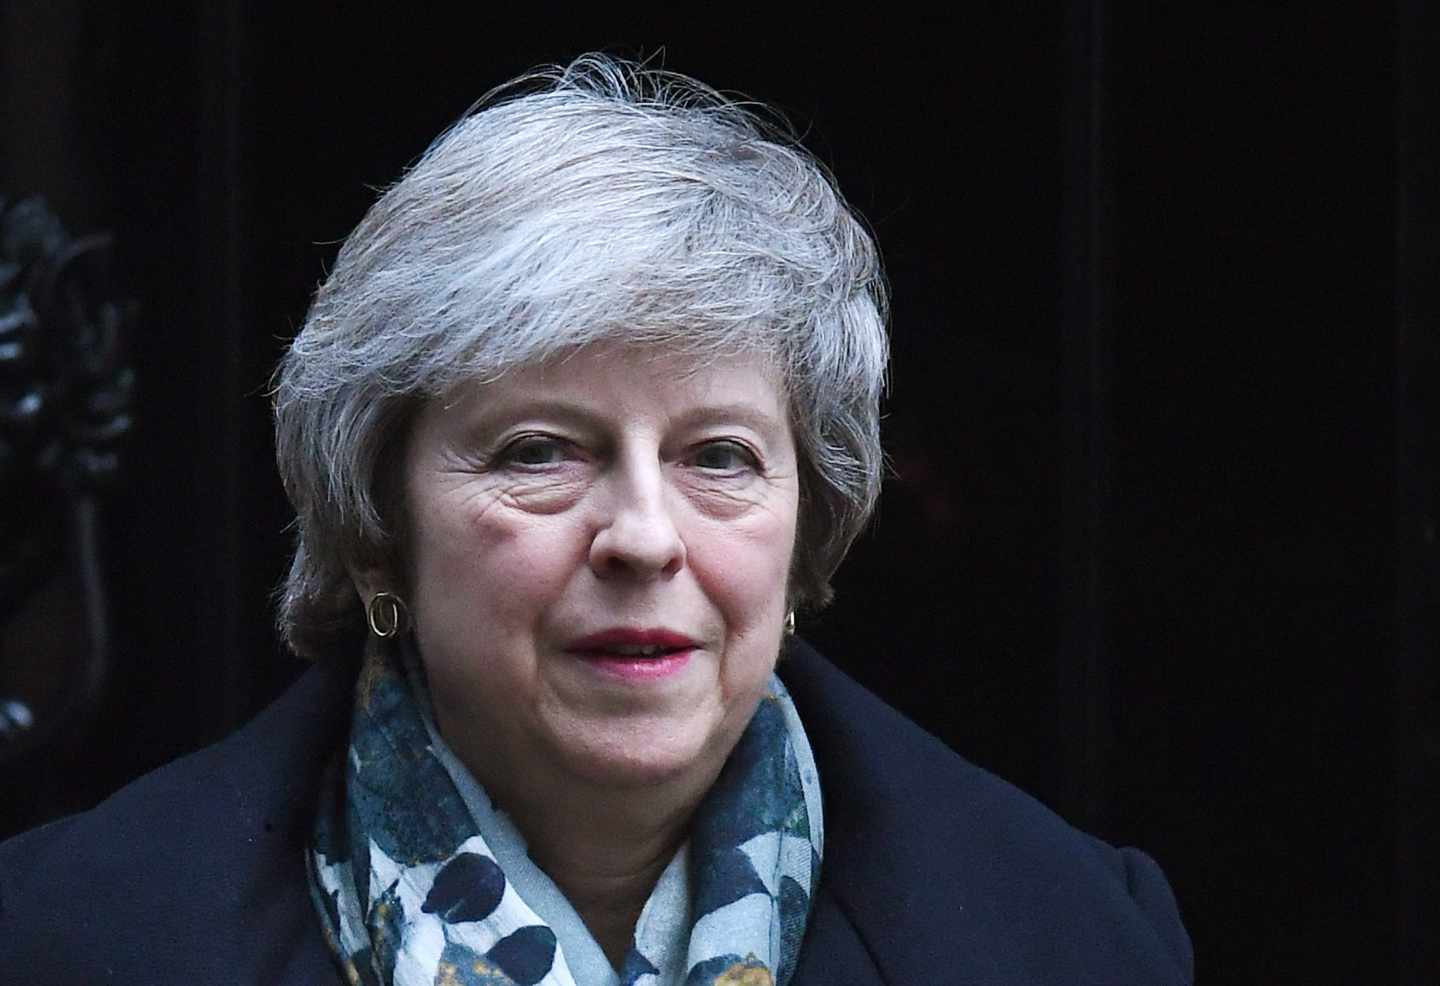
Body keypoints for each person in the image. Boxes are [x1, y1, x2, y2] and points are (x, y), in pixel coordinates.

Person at [0, 55, 1193, 984]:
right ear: (377, 526)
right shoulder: (69, 936)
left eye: (717, 456)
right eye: (541, 452)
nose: (643, 534)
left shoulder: (1074, 933)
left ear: (805, 526)